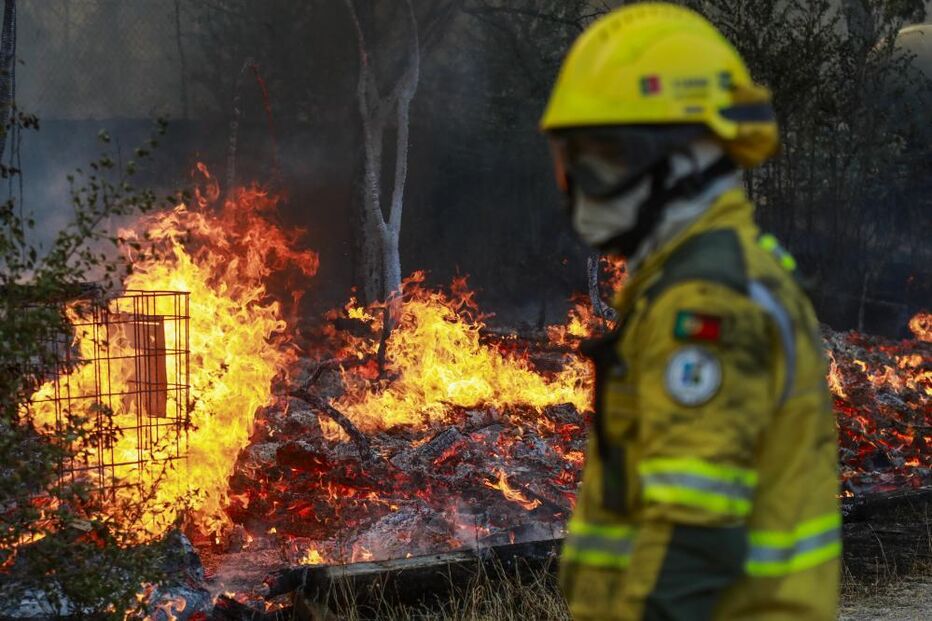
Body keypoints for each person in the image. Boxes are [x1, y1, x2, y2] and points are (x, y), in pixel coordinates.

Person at [540, 3, 840, 620]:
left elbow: (693, 539)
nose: (575, 183)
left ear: (682, 161)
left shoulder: (705, 303)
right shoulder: (693, 281)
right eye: (574, 158)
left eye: (602, 155)